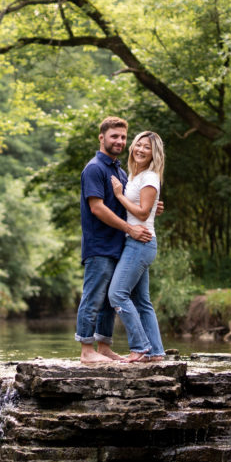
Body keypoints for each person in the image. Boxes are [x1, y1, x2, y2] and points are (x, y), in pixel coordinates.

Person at [76, 117, 153, 363]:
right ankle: (87, 351)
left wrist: (152, 207)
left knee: (110, 300)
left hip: (118, 245)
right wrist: (130, 229)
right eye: (114, 136)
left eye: (122, 137)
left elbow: (129, 203)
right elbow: (97, 208)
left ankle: (104, 347)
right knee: (93, 296)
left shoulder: (119, 171)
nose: (119, 141)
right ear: (102, 138)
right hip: (99, 245)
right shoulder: (94, 169)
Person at [108, 131, 166, 363]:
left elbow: (142, 212)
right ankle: (155, 352)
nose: (140, 150)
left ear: (154, 154)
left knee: (117, 294)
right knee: (142, 301)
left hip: (140, 243)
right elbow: (148, 209)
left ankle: (140, 346)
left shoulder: (149, 177)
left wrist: (120, 196)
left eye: (147, 148)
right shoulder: (135, 175)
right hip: (136, 242)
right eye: (138, 145)